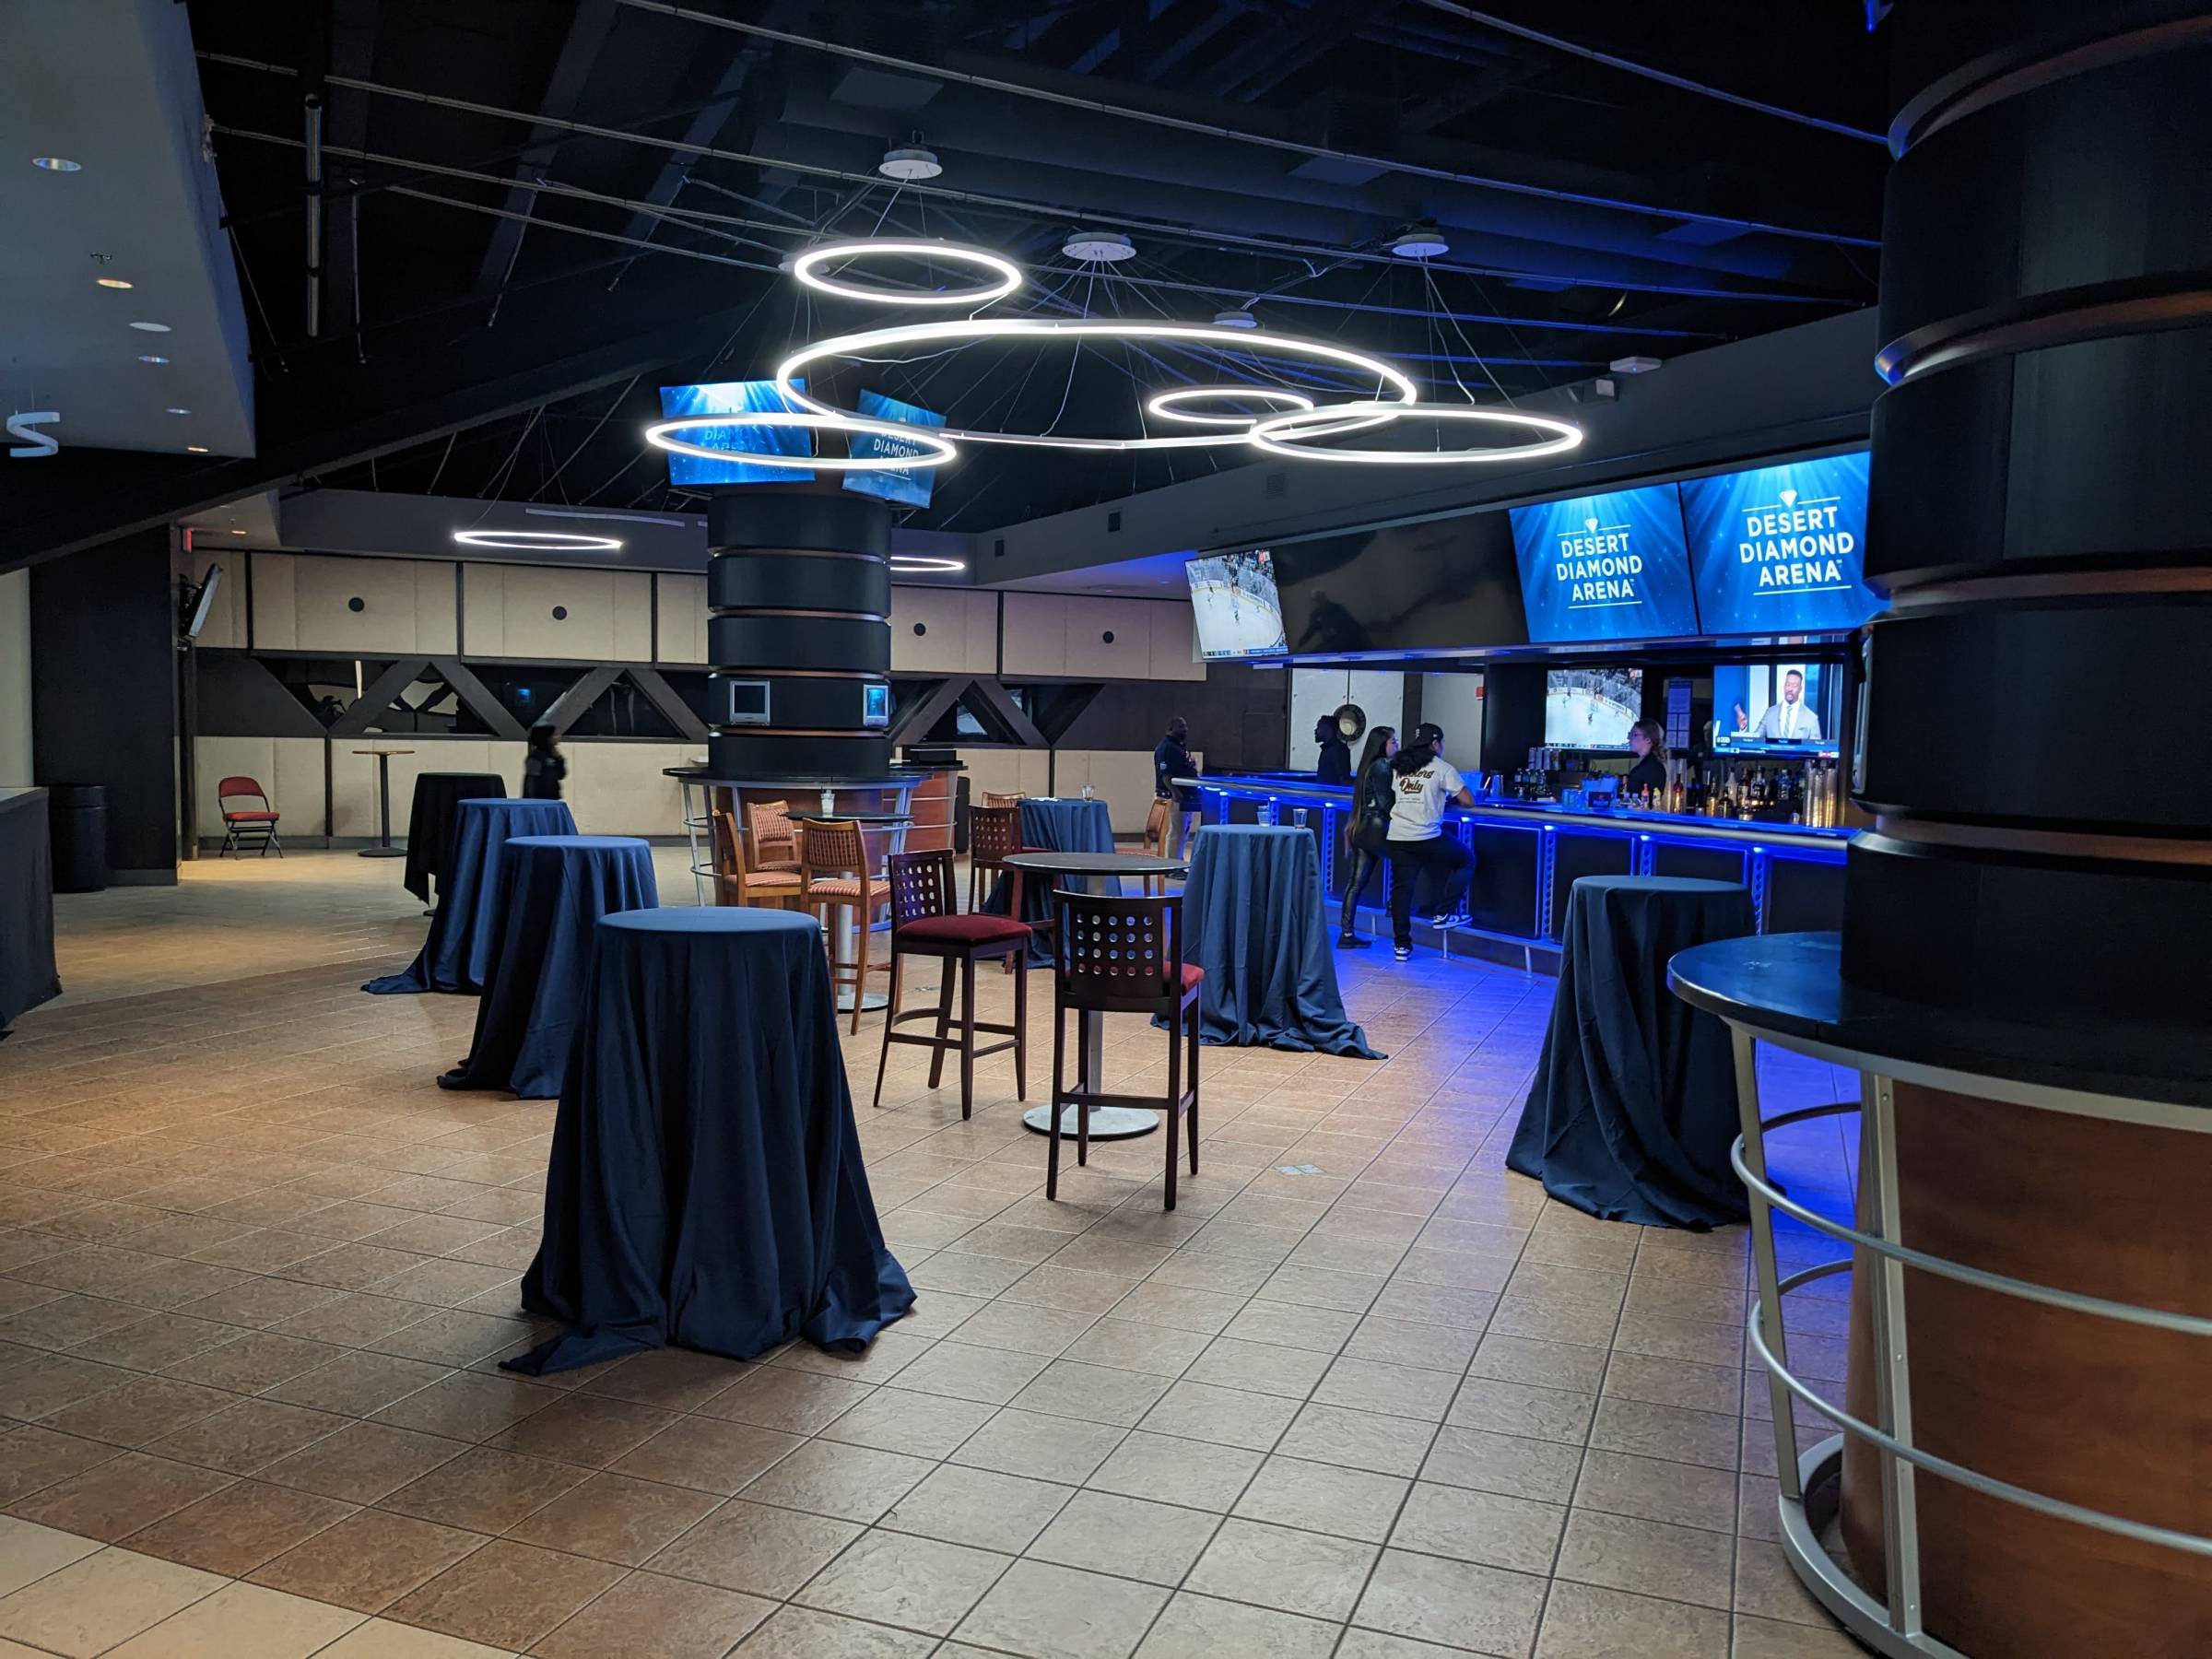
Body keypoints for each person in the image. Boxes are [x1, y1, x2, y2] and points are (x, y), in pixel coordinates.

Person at [1384, 722, 1476, 961]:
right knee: (1465, 860)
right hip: (1426, 836)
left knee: (1402, 891)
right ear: (1435, 743)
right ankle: (1443, 914)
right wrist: (1447, 797)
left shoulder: (1400, 766)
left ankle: (1401, 946)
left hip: (1398, 835)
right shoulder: (1442, 768)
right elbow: (1468, 801)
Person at [1337, 725, 1396, 948]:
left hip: (1362, 829)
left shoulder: (1366, 767)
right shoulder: (1382, 765)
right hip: (1378, 827)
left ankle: (1347, 934)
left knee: (1355, 884)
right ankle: (1396, 913)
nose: (1396, 746)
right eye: (1393, 742)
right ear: (1382, 745)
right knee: (1407, 863)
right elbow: (1386, 803)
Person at [1153, 715, 1200, 855]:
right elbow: (1165, 774)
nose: (1185, 729)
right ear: (1170, 729)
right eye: (1181, 726)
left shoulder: (1178, 746)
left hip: (1185, 795)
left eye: (1185, 726)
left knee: (1181, 831)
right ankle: (1173, 866)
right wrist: (1175, 792)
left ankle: (1176, 862)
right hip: (1175, 797)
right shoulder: (1167, 747)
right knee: (1176, 832)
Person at [1737, 669, 1823, 743]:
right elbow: (1755, 740)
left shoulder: (1811, 718)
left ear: (1800, 689)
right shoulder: (1770, 713)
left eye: (1794, 685)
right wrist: (1743, 729)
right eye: (1788, 684)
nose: (1790, 689)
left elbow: (1816, 749)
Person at [1623, 718, 1669, 801]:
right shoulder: (1648, 764)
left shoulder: (1652, 768)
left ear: (1648, 739)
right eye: (1630, 734)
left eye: (1635, 734)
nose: (1628, 738)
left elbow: (1647, 804)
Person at [522, 722, 566, 800]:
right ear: (547, 737)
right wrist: (531, 801)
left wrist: (559, 759)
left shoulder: (554, 755)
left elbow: (561, 775)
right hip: (538, 800)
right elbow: (531, 782)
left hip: (553, 798)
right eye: (555, 735)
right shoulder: (535, 757)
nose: (558, 737)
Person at [1314, 714, 1352, 785]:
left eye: (1319, 727)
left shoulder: (1338, 750)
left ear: (1327, 729)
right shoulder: (1331, 749)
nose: (1316, 730)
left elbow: (1344, 779)